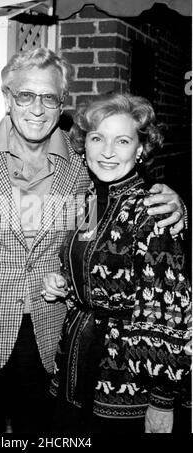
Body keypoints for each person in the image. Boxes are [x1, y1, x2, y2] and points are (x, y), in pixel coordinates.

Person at [0, 48, 186, 434]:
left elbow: (107, 219)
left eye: (49, 97)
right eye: (25, 95)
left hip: (52, 336)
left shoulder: (83, 161)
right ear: (8, 97)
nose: (36, 108)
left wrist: (176, 203)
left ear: (61, 102)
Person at [42, 92, 191, 434]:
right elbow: (95, 265)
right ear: (85, 146)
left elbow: (165, 314)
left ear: (140, 149)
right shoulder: (90, 201)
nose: (107, 151)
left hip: (126, 378)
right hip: (75, 361)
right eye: (97, 138)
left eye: (122, 140)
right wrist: (65, 283)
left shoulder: (154, 212)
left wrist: (161, 402)